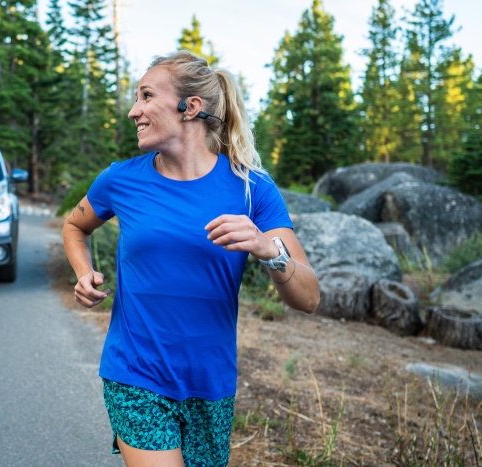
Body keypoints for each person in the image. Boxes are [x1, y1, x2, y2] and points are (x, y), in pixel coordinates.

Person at [62, 50, 320, 467]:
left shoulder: (252, 188)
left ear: (190, 107)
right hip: (135, 373)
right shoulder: (121, 179)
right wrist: (84, 271)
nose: (133, 111)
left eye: (146, 96)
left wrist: (267, 248)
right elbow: (75, 227)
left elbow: (309, 298)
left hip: (211, 382)